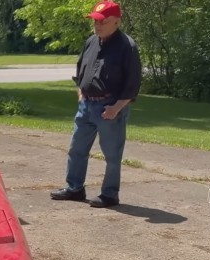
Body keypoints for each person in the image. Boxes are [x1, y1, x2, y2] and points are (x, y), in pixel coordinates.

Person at [50, 1, 142, 208]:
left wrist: (116, 108)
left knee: (112, 155)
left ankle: (109, 195)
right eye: (95, 21)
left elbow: (133, 83)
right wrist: (81, 92)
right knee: (77, 149)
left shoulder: (127, 46)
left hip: (110, 107)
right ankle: (74, 188)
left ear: (117, 22)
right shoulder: (91, 41)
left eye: (103, 21)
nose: (98, 25)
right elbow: (81, 69)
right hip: (86, 106)